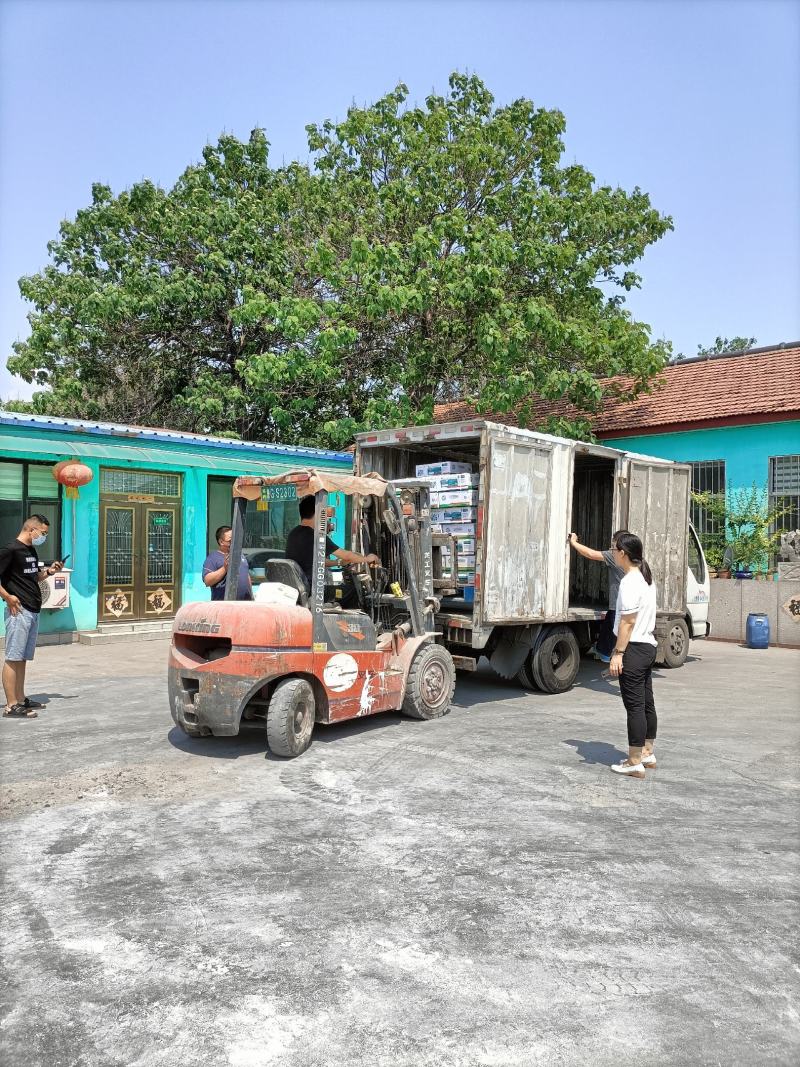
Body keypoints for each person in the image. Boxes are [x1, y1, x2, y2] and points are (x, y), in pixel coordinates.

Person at [0, 514, 64, 719]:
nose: (43, 536)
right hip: (19, 611)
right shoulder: (10, 549)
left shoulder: (30, 550)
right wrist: (8, 597)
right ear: (31, 529)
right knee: (13, 657)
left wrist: (50, 572)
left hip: (32, 610)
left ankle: (20, 699)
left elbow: (33, 576)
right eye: (43, 533)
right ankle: (11, 706)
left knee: (22, 658)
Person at [607, 531, 658, 779]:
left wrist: (618, 653)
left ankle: (634, 760)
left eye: (614, 549)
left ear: (623, 553)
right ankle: (648, 752)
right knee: (646, 702)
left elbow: (627, 622)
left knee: (635, 706)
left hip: (634, 648)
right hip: (648, 646)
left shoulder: (629, 582)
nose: (612, 553)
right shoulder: (647, 578)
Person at [285, 495, 380, 593]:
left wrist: (338, 563)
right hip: (315, 590)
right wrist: (368, 559)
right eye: (324, 513)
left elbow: (316, 561)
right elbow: (347, 556)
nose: (325, 517)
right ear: (318, 513)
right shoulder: (316, 536)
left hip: (302, 588)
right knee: (355, 591)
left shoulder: (293, 533)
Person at [569, 530, 628, 662]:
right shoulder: (637, 559)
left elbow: (590, 553)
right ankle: (605, 652)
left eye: (613, 545)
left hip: (619, 607)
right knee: (611, 626)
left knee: (616, 634)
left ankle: (611, 656)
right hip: (628, 607)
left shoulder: (615, 556)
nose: (611, 548)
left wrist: (573, 542)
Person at [203, 525, 253, 601]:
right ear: (221, 542)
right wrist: (224, 568)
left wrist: (251, 595)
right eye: (230, 541)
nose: (234, 543)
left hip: (245, 605)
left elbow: (246, 575)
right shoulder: (213, 558)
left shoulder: (240, 555)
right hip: (224, 606)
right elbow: (207, 581)